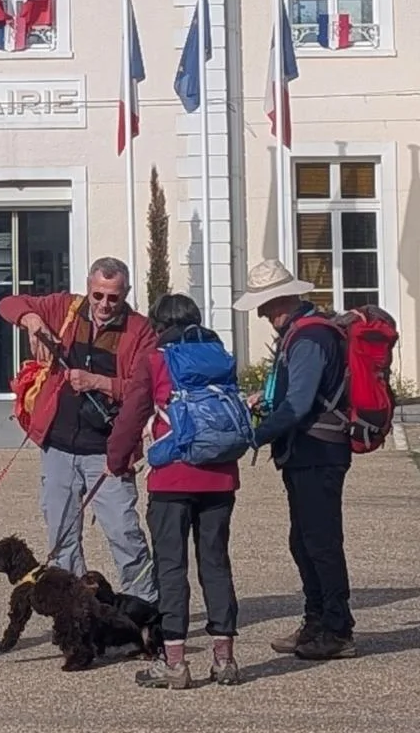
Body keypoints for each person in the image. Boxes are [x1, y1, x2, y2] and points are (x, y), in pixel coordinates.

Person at [0, 256, 158, 603]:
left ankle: (143, 609)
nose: (103, 305)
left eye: (113, 297)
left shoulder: (140, 330)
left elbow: (146, 386)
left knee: (124, 533)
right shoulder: (66, 308)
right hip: (59, 445)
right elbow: (7, 303)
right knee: (61, 535)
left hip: (108, 448)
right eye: (97, 295)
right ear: (88, 288)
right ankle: (75, 610)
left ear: (126, 293)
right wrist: (31, 318)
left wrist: (99, 382)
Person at [107, 292, 241, 689]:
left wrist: (117, 460)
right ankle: (225, 660)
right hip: (220, 476)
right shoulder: (220, 358)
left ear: (159, 325)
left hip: (171, 479)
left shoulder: (156, 361)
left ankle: (176, 663)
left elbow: (131, 417)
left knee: (171, 568)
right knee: (216, 563)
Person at [239, 258, 355, 660]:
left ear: (287, 297)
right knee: (304, 541)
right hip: (309, 451)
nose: (264, 313)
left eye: (268, 303)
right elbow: (293, 398)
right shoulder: (304, 332)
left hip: (318, 451)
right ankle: (317, 622)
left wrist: (252, 437)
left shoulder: (308, 338)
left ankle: (337, 630)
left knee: (320, 543)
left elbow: (299, 405)